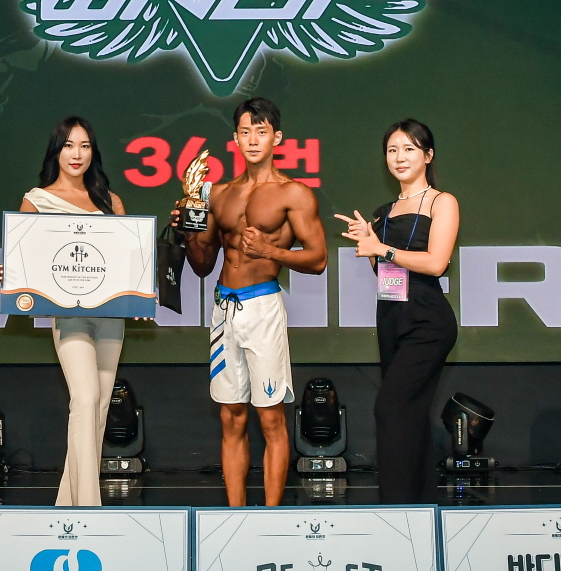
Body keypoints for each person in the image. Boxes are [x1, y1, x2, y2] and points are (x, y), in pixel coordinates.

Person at [178, 98, 327, 507]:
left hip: (262, 307)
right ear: (236, 138)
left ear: (277, 138)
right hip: (223, 308)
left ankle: (271, 517)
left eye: (261, 132)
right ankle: (235, 515)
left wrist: (270, 251)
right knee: (231, 416)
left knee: (270, 416)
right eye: (245, 132)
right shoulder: (219, 194)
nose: (253, 140)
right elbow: (203, 265)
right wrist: (188, 232)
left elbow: (318, 260)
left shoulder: (293, 193)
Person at [0, 117, 130, 506]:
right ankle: (90, 509)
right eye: (69, 145)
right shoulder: (37, 200)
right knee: (84, 398)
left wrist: (139, 290)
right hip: (69, 317)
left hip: (111, 316)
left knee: (98, 409)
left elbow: (125, 261)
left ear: (93, 152)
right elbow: (22, 259)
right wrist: (5, 273)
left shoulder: (110, 202)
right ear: (56, 151)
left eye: (84, 145)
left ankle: (67, 505)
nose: (76, 154)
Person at [335, 119, 461, 503]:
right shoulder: (384, 212)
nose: (399, 157)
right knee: (411, 415)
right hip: (391, 315)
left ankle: (397, 504)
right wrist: (370, 242)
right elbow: (385, 272)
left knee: (390, 408)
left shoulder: (442, 202)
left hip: (428, 318)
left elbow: (436, 263)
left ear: (428, 155)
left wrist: (382, 249)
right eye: (392, 150)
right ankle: (420, 505)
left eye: (409, 149)